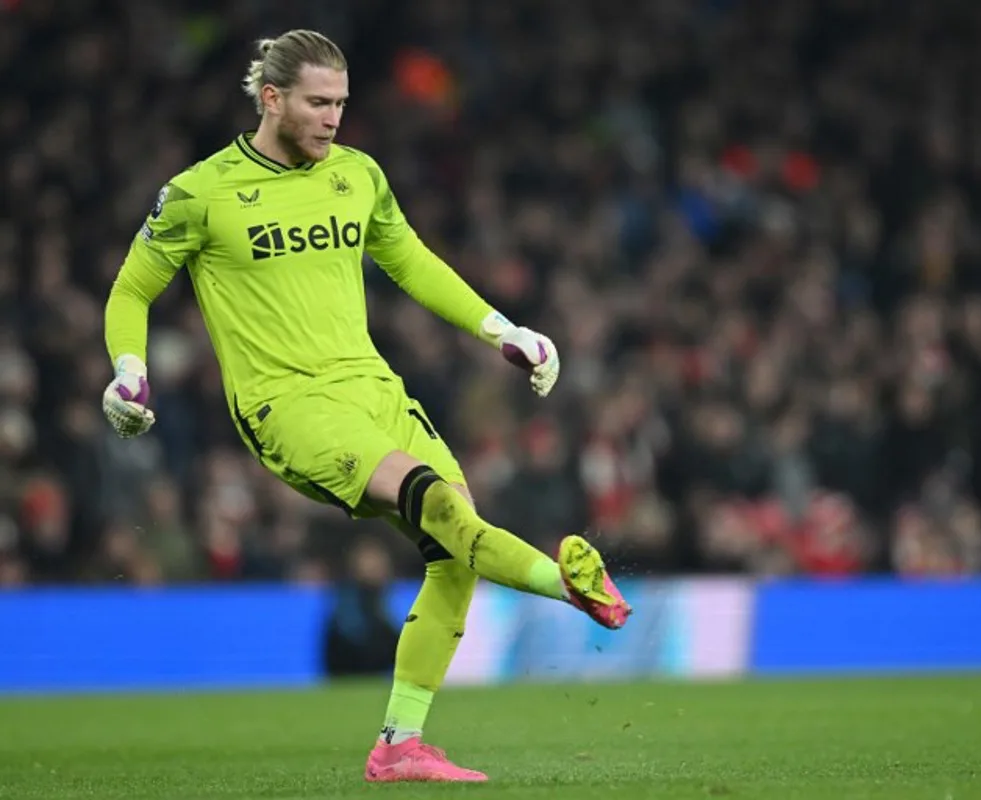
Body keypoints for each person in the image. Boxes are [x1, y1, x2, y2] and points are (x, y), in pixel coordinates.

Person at [101, 29, 631, 783]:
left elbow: (409, 258)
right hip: (287, 405)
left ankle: (400, 744)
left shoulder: (358, 176)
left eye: (342, 104)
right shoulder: (199, 194)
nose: (333, 119)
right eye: (319, 103)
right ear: (272, 98)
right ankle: (568, 586)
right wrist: (129, 371)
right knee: (443, 511)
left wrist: (503, 330)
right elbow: (132, 287)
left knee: (454, 553)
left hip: (375, 391)